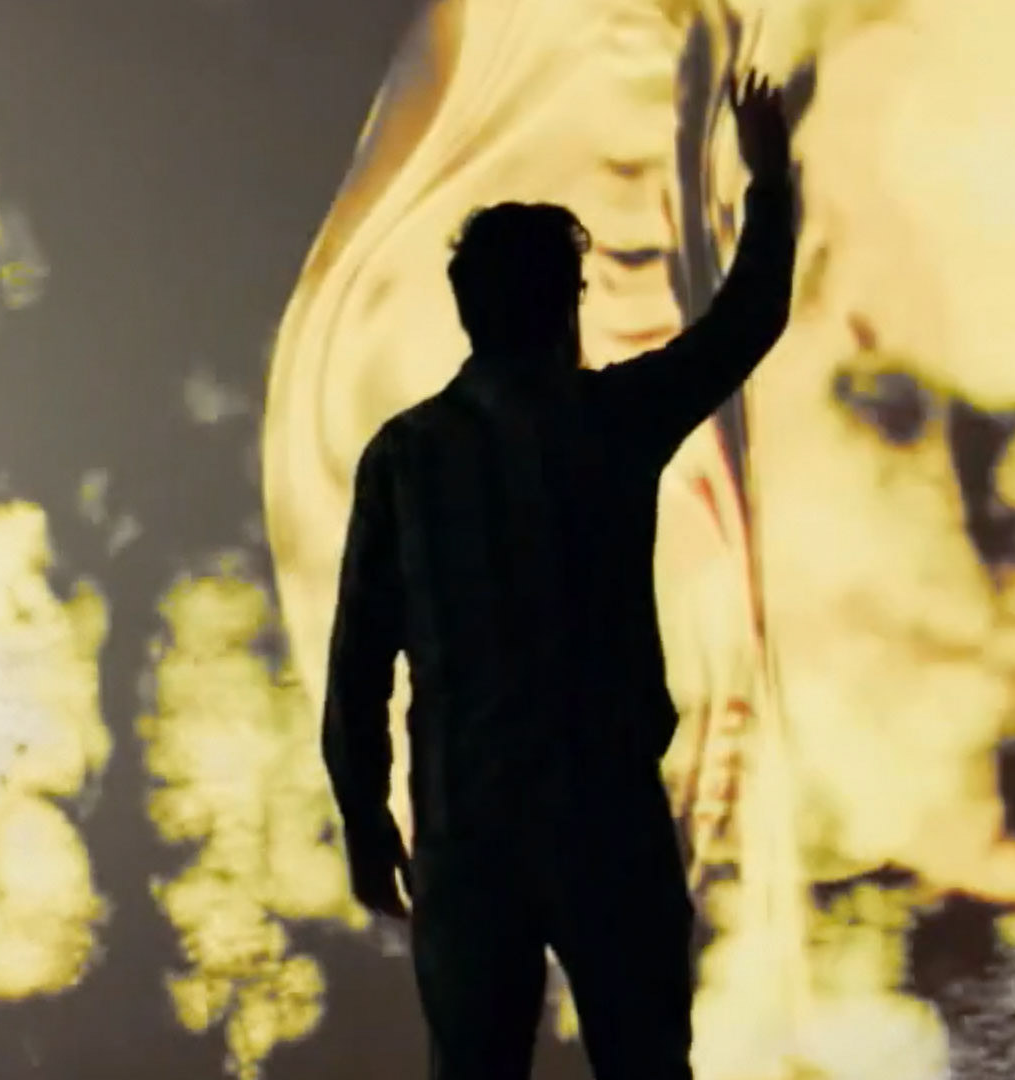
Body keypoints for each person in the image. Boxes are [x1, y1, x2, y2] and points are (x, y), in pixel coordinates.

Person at [321, 71, 795, 1080]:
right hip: (606, 823)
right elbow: (747, 319)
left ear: (468, 312)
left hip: (465, 833)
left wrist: (365, 817)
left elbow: (359, 665)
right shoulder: (609, 421)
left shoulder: (405, 457)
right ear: (565, 305)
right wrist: (770, 178)